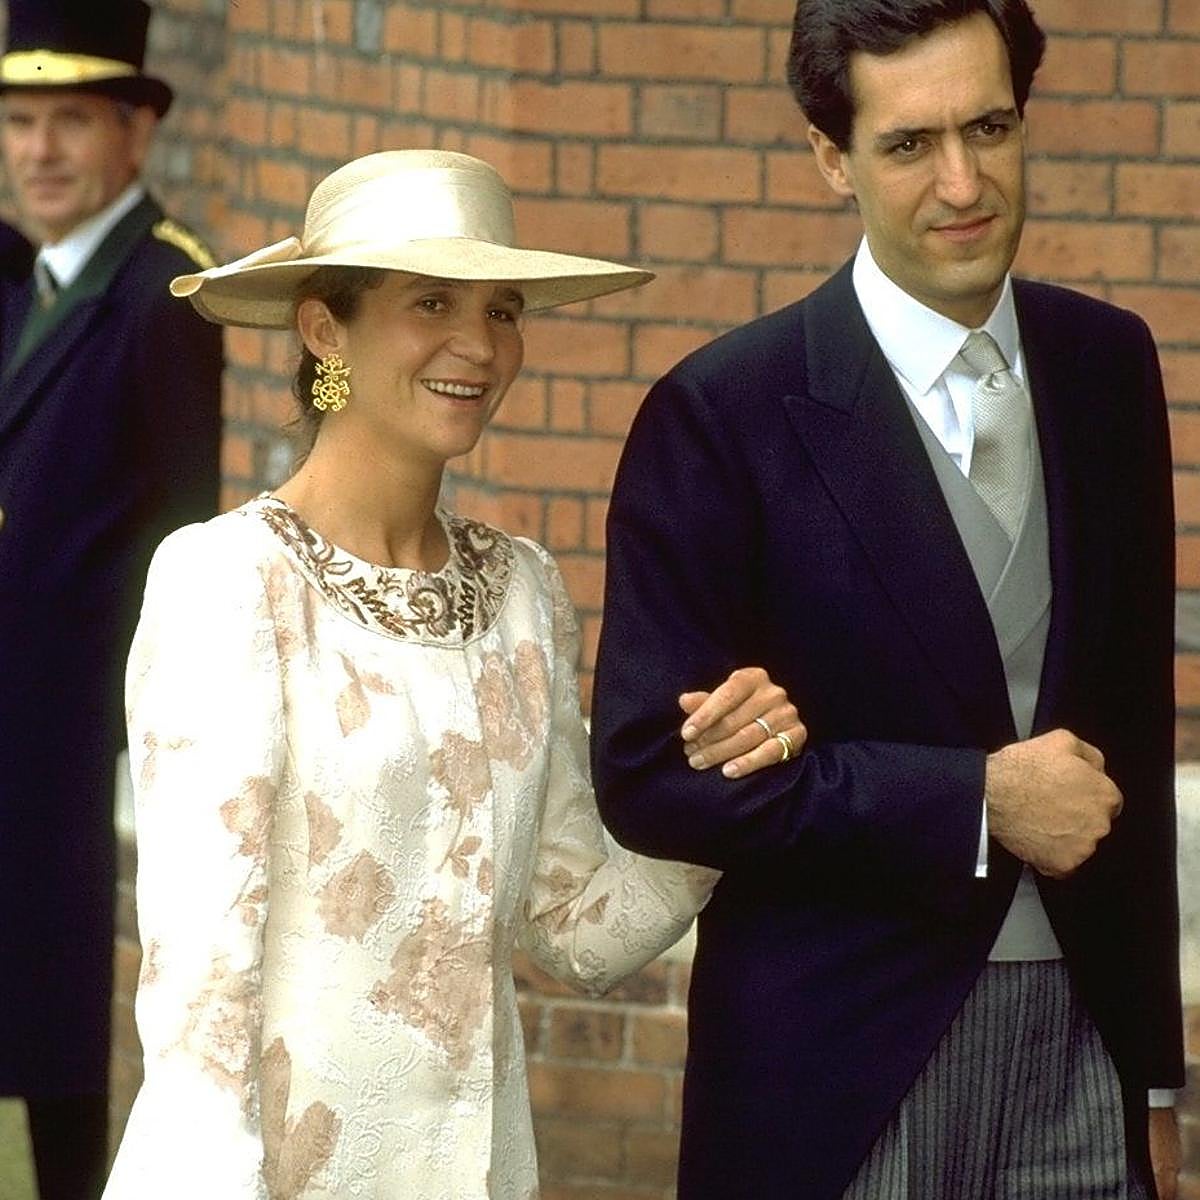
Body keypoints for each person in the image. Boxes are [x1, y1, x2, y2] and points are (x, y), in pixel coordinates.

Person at [100, 148, 804, 1198]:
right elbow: (199, 992)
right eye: (432, 302)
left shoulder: (522, 590)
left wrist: (721, 789)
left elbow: (571, 933)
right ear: (323, 328)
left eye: (505, 310)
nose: (478, 345)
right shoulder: (228, 582)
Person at [591, 2, 1183, 1198]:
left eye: (990, 128)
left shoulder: (1108, 366)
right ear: (831, 157)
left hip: (1085, 1055)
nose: (963, 182)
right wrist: (974, 799)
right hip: (837, 1069)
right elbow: (648, 771)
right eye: (910, 144)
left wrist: (1157, 1086)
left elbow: (1132, 726)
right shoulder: (725, 412)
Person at [0, 1, 223, 1195]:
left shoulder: (164, 293)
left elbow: (185, 523)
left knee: (62, 1010)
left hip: (83, 729)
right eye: (19, 121)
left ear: (134, 134)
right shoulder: (21, 275)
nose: (39, 151)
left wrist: (150, 743)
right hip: (16, 719)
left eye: (71, 122)